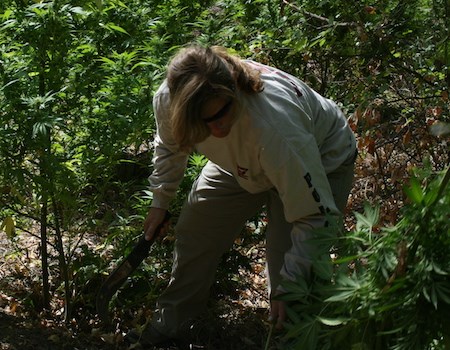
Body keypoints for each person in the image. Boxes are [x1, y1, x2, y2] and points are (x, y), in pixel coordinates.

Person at [125, 44, 357, 346]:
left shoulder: (274, 125)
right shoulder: (169, 100)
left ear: (234, 88)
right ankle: (172, 324)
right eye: (205, 122)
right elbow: (169, 148)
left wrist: (289, 284)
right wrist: (160, 202)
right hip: (242, 163)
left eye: (223, 112)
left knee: (293, 277)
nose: (217, 127)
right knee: (196, 229)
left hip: (319, 161)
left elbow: (313, 216)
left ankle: (296, 340)